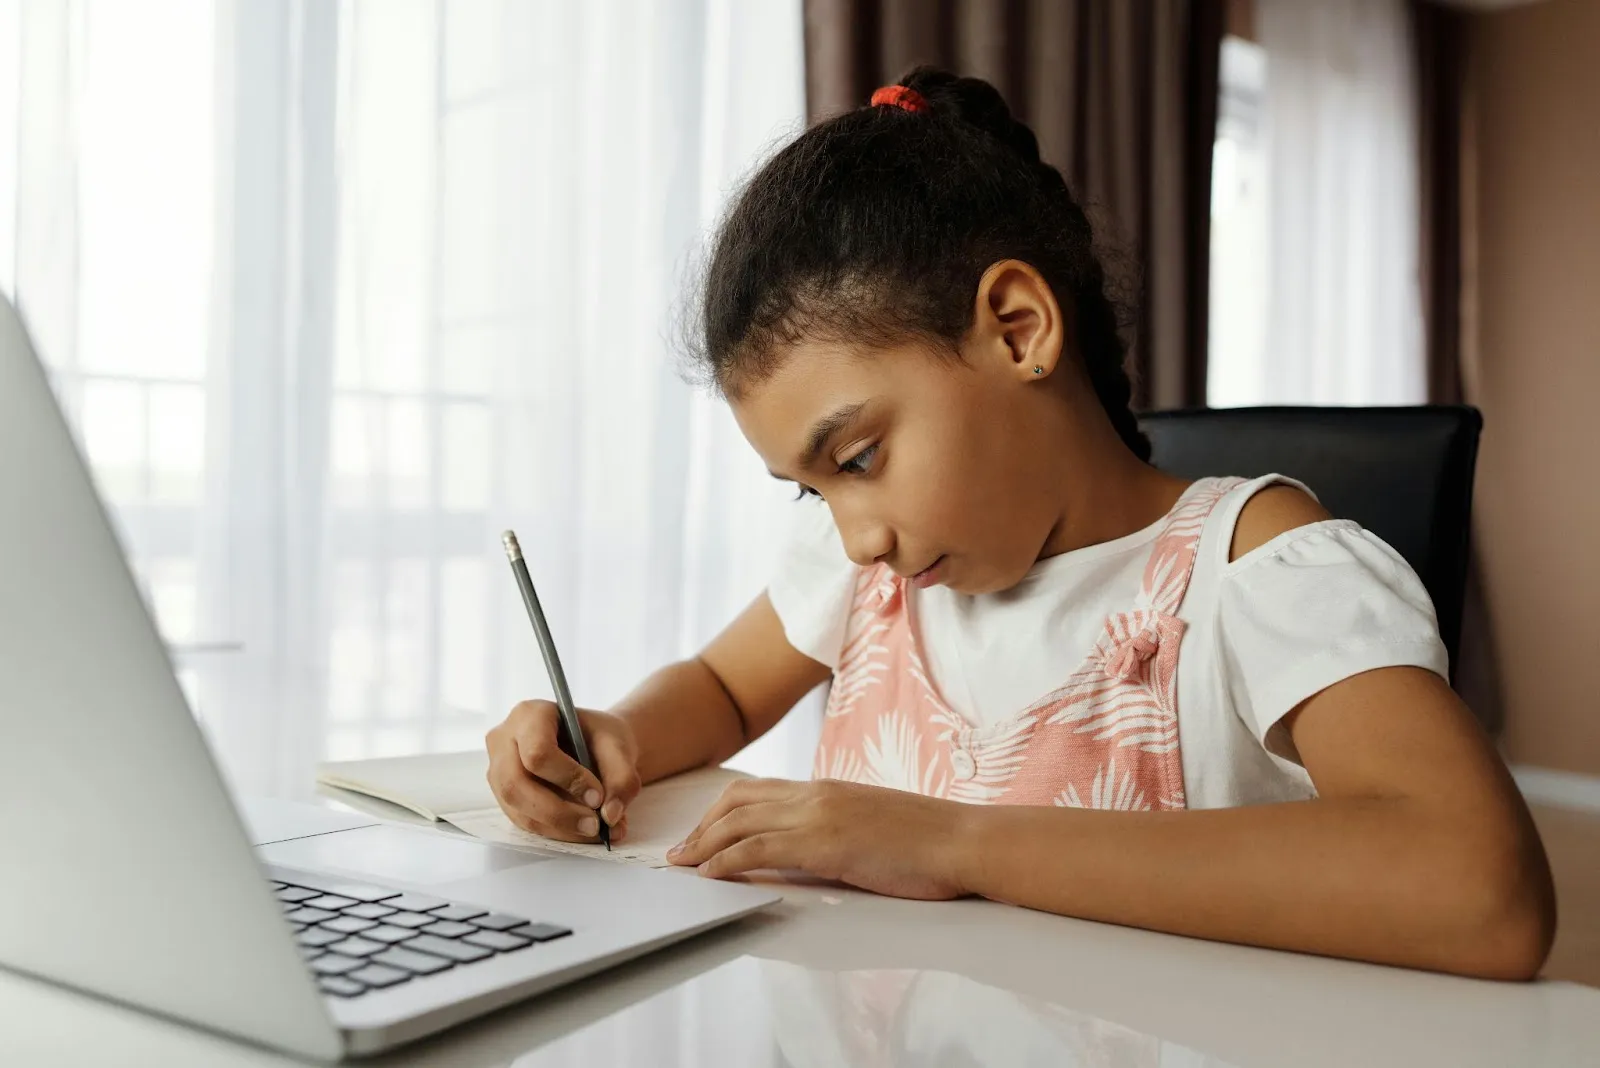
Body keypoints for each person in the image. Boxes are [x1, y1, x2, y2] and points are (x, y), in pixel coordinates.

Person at [485, 68, 1554, 980]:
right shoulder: (869, 571)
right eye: (814, 489)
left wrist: (951, 843)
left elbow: (1482, 889)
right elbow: (720, 692)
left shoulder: (1256, 569)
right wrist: (616, 736)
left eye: (858, 459)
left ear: (1017, 327)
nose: (855, 533)